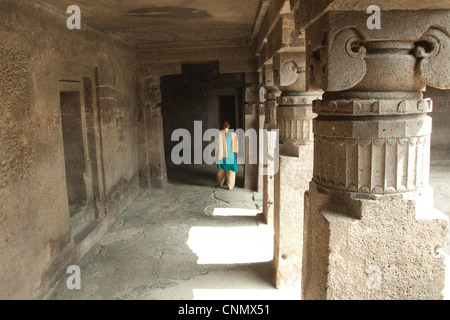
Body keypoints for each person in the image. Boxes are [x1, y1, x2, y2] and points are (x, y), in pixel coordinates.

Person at [216, 121, 238, 190]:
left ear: (223, 126)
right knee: (231, 170)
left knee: (220, 169)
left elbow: (216, 145)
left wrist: (216, 154)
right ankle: (230, 186)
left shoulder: (218, 133)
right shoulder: (233, 134)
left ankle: (220, 183)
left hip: (221, 154)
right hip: (230, 154)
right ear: (229, 126)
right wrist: (235, 153)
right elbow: (235, 146)